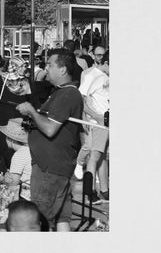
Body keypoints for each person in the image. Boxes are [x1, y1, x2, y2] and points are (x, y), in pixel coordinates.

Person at [15, 49, 85, 230]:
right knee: (62, 220)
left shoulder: (67, 94)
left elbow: (49, 128)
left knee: (39, 222)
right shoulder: (59, 93)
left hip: (50, 170)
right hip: (54, 168)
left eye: (50, 64)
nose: (46, 68)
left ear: (63, 70)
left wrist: (30, 111)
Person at [76, 48, 111, 205]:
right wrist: (96, 117)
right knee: (95, 156)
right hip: (100, 122)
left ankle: (104, 190)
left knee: (101, 156)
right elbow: (80, 99)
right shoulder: (92, 75)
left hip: (105, 121)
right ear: (106, 63)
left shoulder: (105, 76)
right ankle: (90, 192)